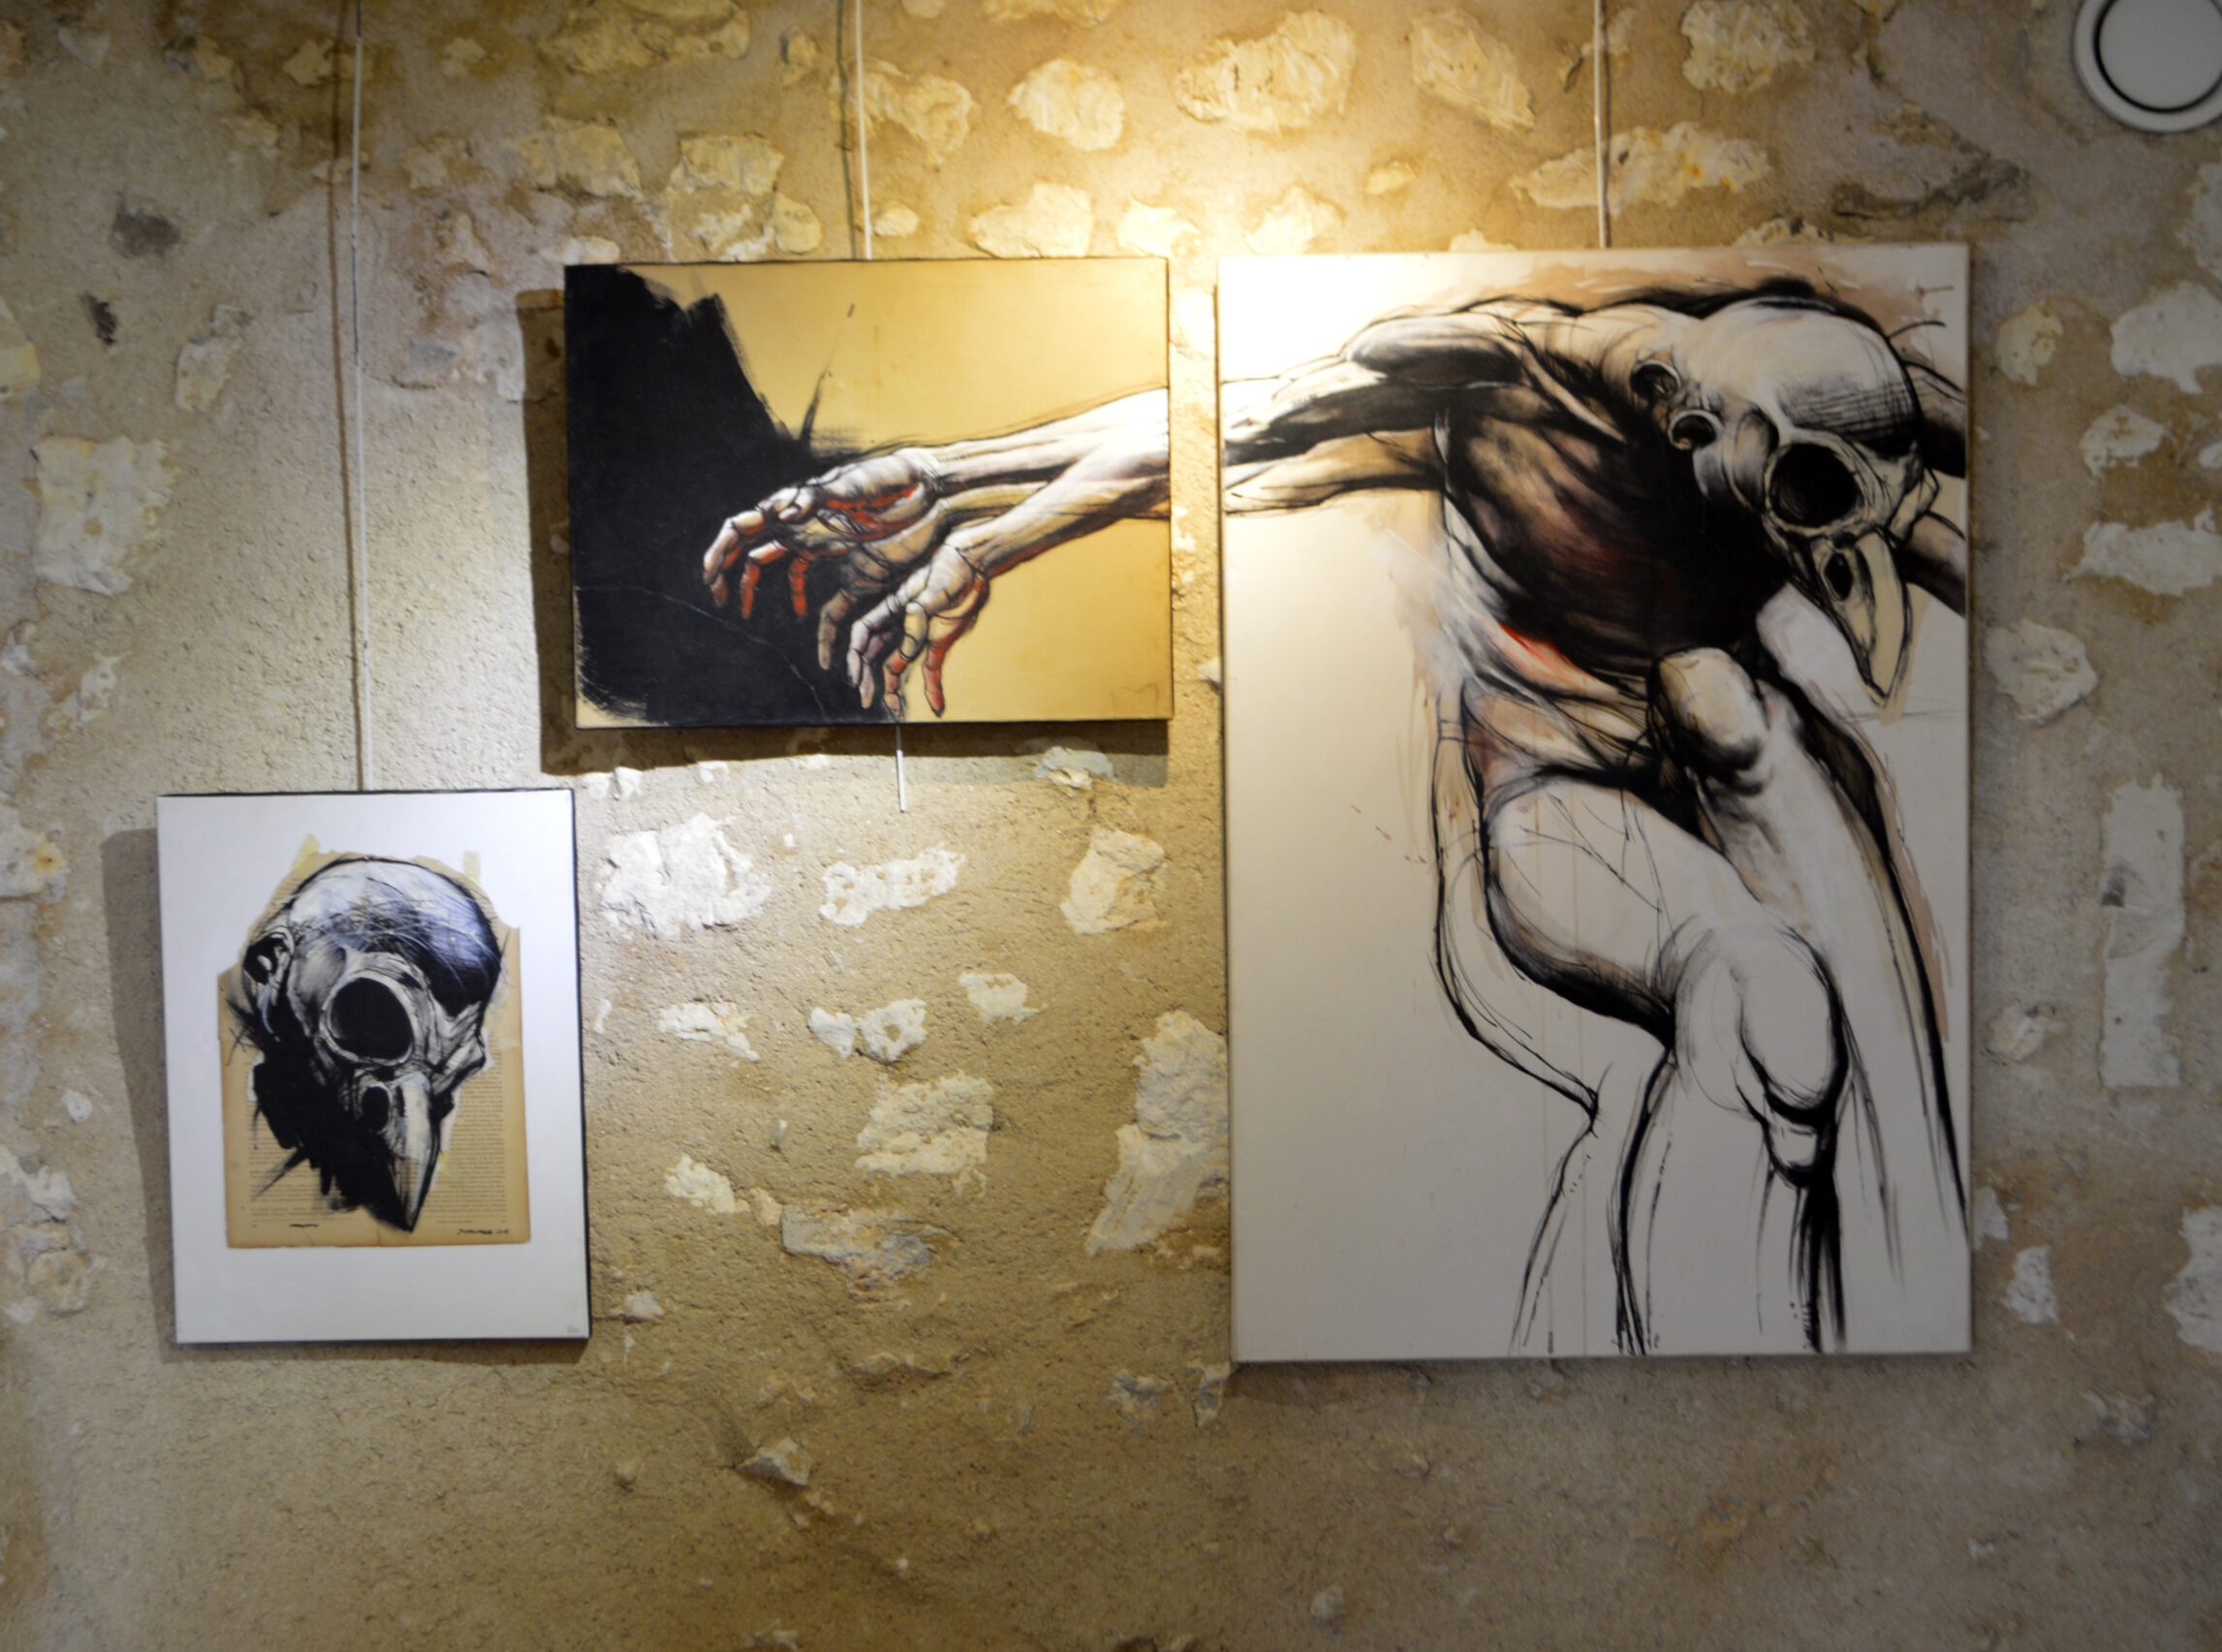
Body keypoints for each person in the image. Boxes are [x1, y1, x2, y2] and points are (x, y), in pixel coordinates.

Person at [703, 280, 1970, 1354]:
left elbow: (1943, 538)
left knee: (1760, 829)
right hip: (1561, 804)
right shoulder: (1506, 384)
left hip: (1744, 779)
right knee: (1763, 996)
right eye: (1808, 487)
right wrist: (970, 506)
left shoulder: (1814, 410)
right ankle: (1694, 1405)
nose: (1856, 564)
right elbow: (1232, 422)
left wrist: (963, 502)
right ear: (1687, 418)